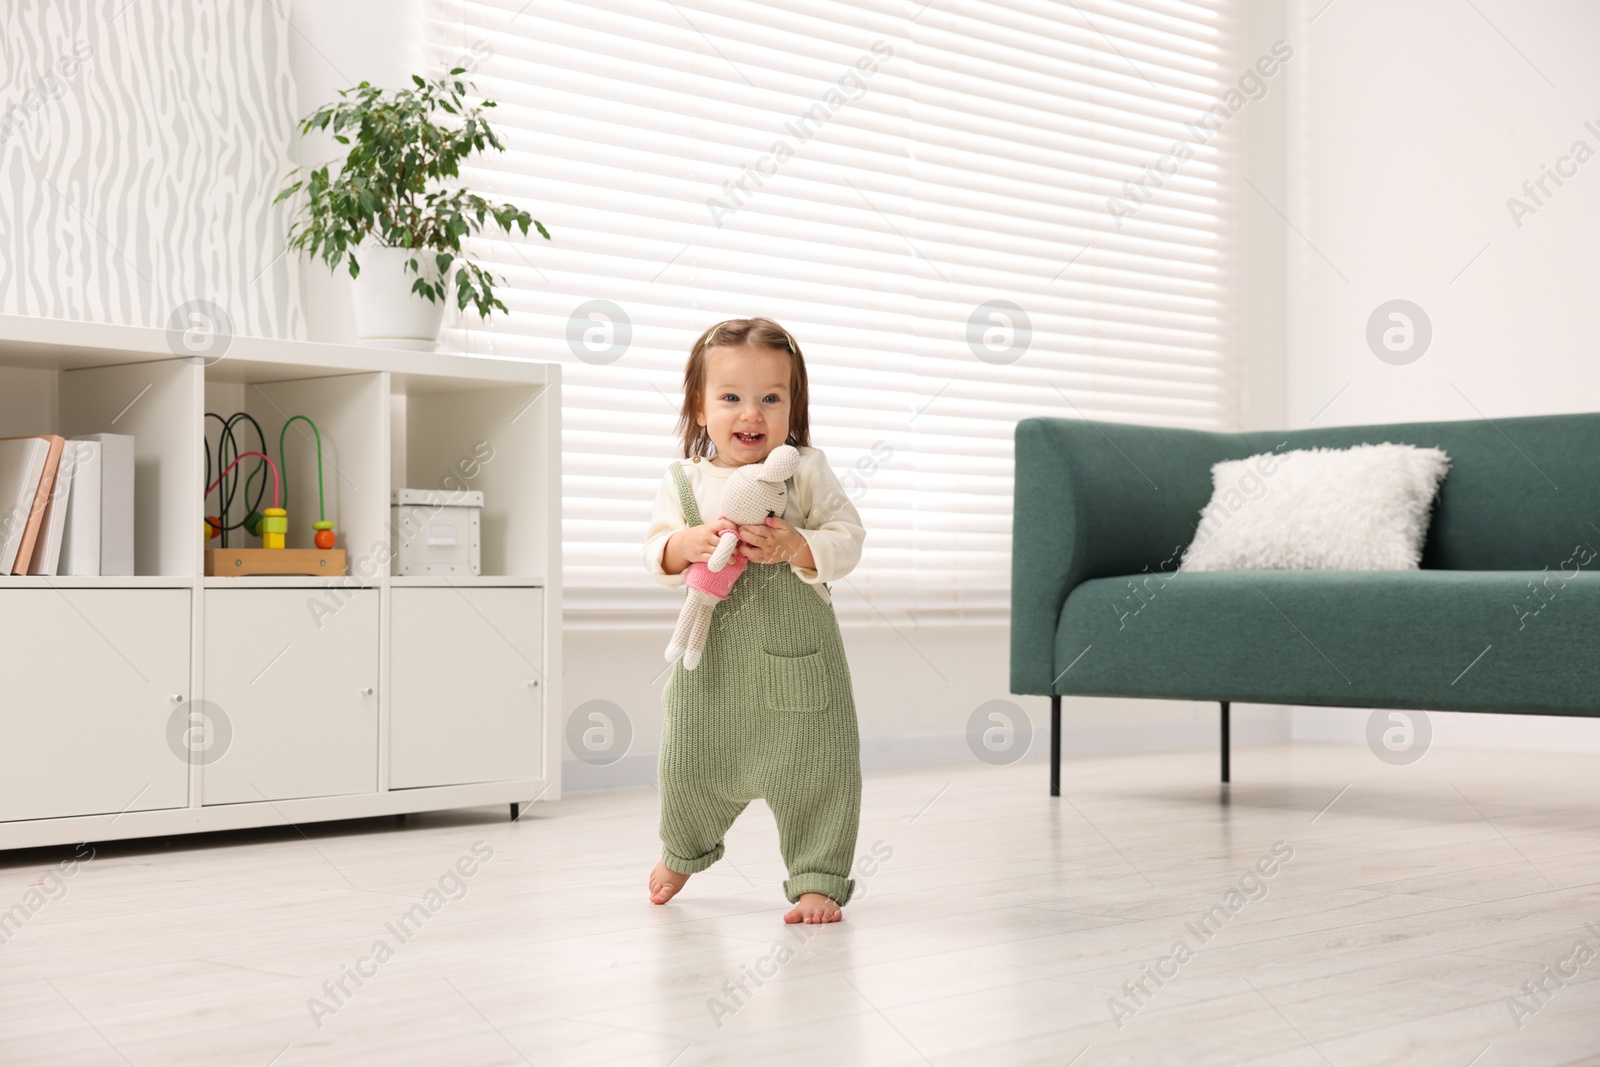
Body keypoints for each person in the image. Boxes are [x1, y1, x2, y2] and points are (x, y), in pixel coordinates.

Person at [642, 316, 866, 924]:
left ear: (794, 405)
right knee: (689, 765)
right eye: (732, 398)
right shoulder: (683, 482)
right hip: (709, 671)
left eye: (772, 398)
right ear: (699, 404)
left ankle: (818, 877)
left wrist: (799, 547)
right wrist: (684, 543)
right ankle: (681, 851)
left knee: (819, 771)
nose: (752, 415)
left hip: (801, 674)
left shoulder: (806, 471)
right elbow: (655, 551)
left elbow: (848, 538)